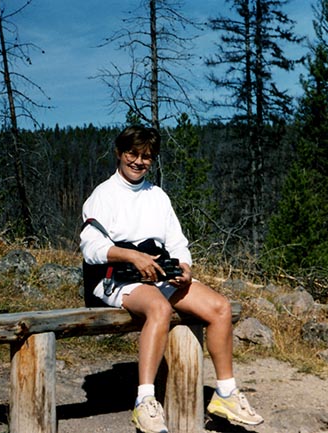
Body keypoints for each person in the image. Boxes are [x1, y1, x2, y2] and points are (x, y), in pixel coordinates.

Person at [79, 125, 263, 433]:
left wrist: (184, 267)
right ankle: (145, 401)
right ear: (119, 153)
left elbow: (177, 242)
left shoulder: (157, 196)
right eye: (132, 154)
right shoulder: (103, 195)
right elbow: (90, 248)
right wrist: (131, 256)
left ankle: (226, 393)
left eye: (146, 157)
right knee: (159, 308)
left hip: (158, 272)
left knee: (220, 307)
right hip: (115, 278)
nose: (138, 162)